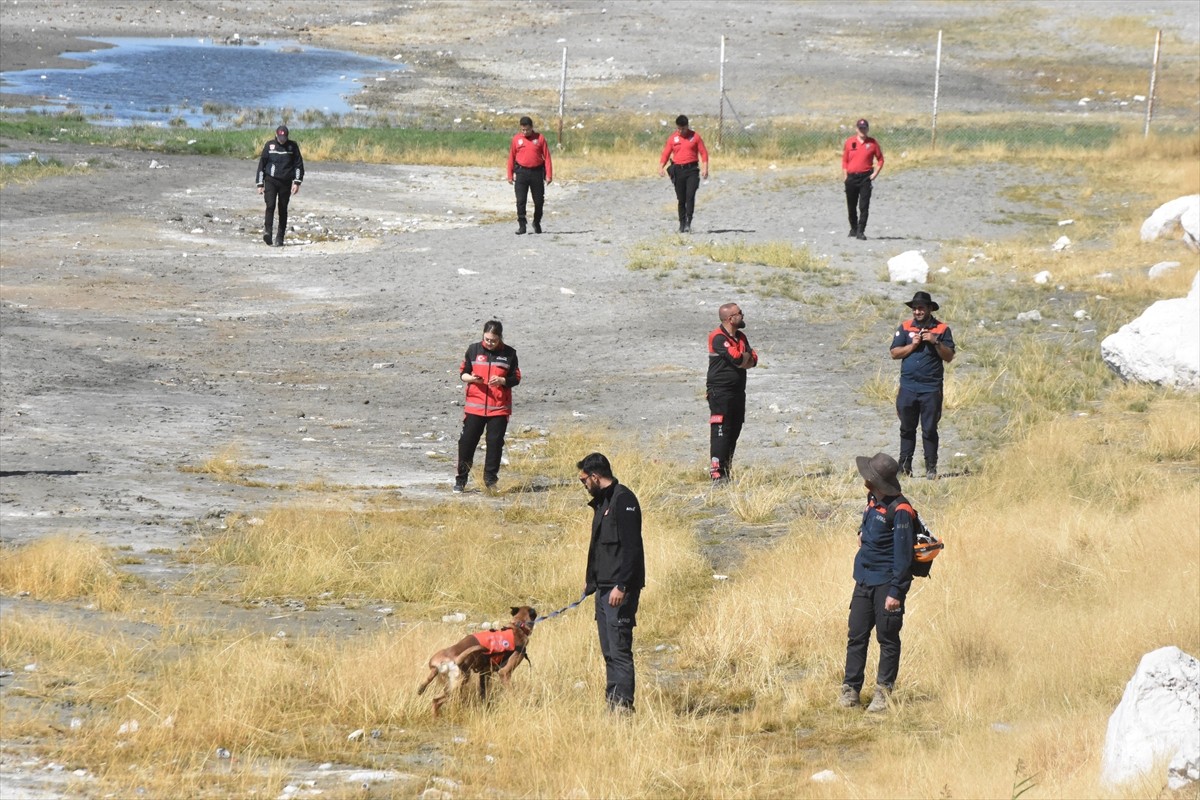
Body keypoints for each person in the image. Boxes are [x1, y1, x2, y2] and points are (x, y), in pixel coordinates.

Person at [839, 452, 916, 713]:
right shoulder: (872, 500)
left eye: (869, 478)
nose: (865, 481)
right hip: (863, 580)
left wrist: (896, 592)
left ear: (877, 481)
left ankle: (883, 693)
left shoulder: (902, 511)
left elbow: (904, 558)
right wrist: (861, 533)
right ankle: (850, 689)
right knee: (856, 635)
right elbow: (867, 528)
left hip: (887, 584)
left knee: (887, 638)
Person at [578, 452, 644, 713]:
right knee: (608, 650)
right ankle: (612, 703)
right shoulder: (602, 502)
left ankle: (623, 708)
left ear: (595, 476)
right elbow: (600, 549)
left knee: (619, 650)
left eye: (584, 479)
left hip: (618, 591)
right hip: (603, 589)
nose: (583, 485)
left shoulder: (623, 500)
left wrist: (622, 585)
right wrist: (591, 582)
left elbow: (632, 548)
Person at [889, 291, 955, 480]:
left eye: (921, 308)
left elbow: (949, 356)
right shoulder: (905, 327)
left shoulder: (942, 329)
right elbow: (894, 353)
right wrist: (912, 346)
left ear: (929, 309)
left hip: (931, 389)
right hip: (908, 387)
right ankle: (904, 467)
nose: (917, 311)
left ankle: (931, 467)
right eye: (915, 308)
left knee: (930, 429)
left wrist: (935, 342)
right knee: (906, 428)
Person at [454, 320, 521, 493]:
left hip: (498, 408)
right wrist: (471, 378)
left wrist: (502, 381)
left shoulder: (510, 353)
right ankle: (461, 480)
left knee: (494, 444)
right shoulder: (473, 349)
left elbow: (516, 378)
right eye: (487, 339)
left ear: (500, 338)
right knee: (467, 443)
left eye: (493, 340)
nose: (489, 343)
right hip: (474, 407)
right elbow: (463, 373)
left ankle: (490, 481)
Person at [706, 302, 757, 481]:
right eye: (739, 313)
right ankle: (717, 473)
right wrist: (745, 358)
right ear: (730, 318)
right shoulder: (717, 337)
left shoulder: (741, 337)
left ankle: (726, 470)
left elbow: (754, 359)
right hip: (720, 391)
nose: (742, 315)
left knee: (735, 428)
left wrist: (746, 358)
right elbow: (737, 359)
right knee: (721, 429)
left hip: (738, 391)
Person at [659, 115, 709, 233]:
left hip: (692, 170)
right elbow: (666, 153)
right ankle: (681, 224)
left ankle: (688, 222)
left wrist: (705, 168)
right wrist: (661, 166)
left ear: (687, 126)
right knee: (681, 199)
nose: (681, 131)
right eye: (679, 129)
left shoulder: (695, 137)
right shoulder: (673, 139)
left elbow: (704, 153)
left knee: (690, 196)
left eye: (684, 129)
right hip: (678, 170)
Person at [255, 124, 304, 247]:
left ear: (287, 136)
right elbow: (262, 165)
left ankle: (280, 237)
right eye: (280, 137)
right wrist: (260, 184)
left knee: (282, 209)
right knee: (270, 205)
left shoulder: (292, 146)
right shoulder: (269, 145)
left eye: (284, 137)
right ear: (276, 135)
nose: (282, 139)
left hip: (286, 182)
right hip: (270, 180)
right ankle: (268, 232)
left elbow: (298, 165)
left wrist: (297, 182)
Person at [506, 116, 553, 235]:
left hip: (537, 173)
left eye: (527, 129)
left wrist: (549, 175)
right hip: (521, 173)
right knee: (521, 201)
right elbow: (511, 157)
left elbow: (547, 157)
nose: (525, 132)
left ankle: (536, 222)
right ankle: (522, 225)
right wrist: (510, 174)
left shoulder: (540, 138)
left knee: (539, 201)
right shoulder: (516, 139)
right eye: (523, 130)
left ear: (532, 128)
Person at [842, 118, 883, 240]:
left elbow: (880, 159)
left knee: (864, 206)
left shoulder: (873, 143)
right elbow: (844, 160)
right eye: (860, 128)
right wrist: (845, 176)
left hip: (865, 177)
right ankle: (853, 228)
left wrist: (875, 173)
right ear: (856, 129)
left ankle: (861, 231)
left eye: (864, 128)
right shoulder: (850, 142)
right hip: (851, 177)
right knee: (851, 205)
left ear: (867, 129)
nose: (862, 130)